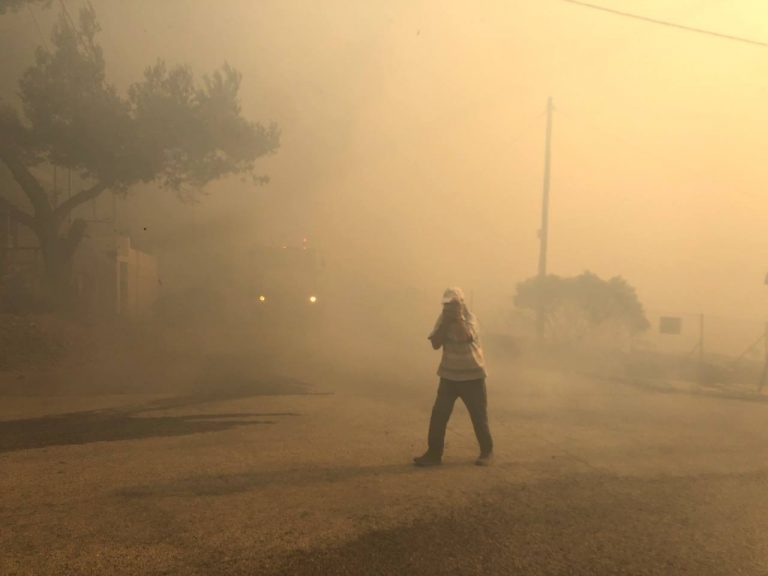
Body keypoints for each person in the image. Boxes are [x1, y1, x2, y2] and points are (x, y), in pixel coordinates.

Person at [413, 287, 494, 467]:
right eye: (447, 304)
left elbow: (467, 337)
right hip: (449, 376)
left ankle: (487, 452)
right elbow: (435, 343)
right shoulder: (443, 320)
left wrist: (457, 320)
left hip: (473, 376)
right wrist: (446, 323)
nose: (449, 308)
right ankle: (434, 454)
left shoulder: (471, 319)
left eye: (454, 304)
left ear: (462, 305)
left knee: (478, 416)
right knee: (439, 416)